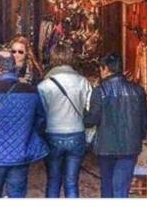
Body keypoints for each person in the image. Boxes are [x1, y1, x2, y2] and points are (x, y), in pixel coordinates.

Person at [0, 50, 48, 198]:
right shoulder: (31, 91)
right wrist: (28, 140)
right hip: (20, 155)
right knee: (17, 196)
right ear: (14, 67)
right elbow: (41, 119)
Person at [84, 53, 147, 198]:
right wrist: (140, 139)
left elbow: (91, 120)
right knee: (122, 189)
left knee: (107, 187)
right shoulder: (138, 91)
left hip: (106, 148)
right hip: (130, 147)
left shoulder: (100, 91)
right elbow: (144, 120)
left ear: (105, 68)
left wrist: (82, 113)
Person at [37, 42, 92, 198]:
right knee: (72, 182)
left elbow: (41, 114)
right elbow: (90, 110)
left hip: (53, 134)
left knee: (53, 181)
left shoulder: (44, 85)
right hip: (77, 133)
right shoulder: (83, 82)